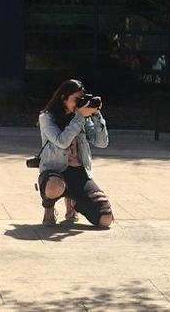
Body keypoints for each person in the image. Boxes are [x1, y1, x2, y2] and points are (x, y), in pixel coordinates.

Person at [36, 79, 113, 228]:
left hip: (79, 173)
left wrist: (96, 116)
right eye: (76, 99)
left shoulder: (82, 117)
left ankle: (75, 201)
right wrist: (79, 116)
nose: (79, 103)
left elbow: (102, 143)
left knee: (105, 219)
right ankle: (49, 208)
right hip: (55, 170)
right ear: (63, 97)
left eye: (81, 99)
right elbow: (62, 141)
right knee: (55, 186)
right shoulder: (47, 117)